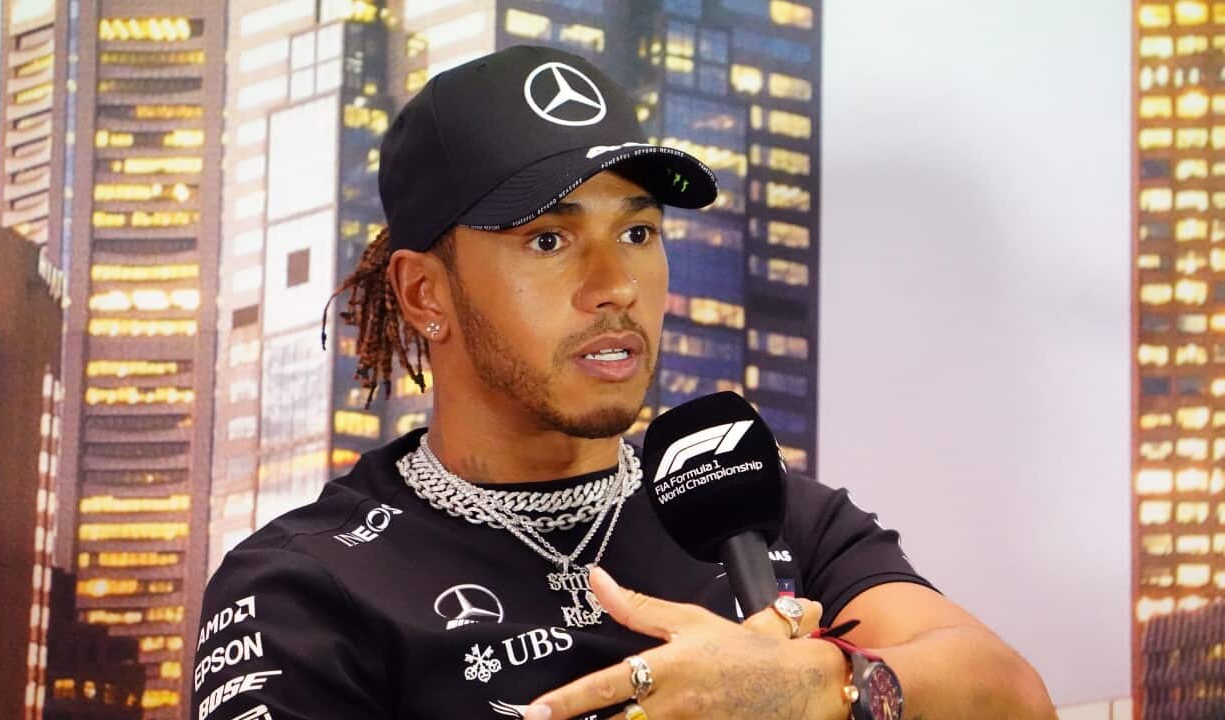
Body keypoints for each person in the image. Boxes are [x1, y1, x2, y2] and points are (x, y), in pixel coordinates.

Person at [190, 44, 1053, 720]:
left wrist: (829, 691)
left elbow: (1012, 698)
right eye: (549, 241)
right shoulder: (304, 587)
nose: (615, 285)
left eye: (639, 233)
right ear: (426, 293)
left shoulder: (768, 509)